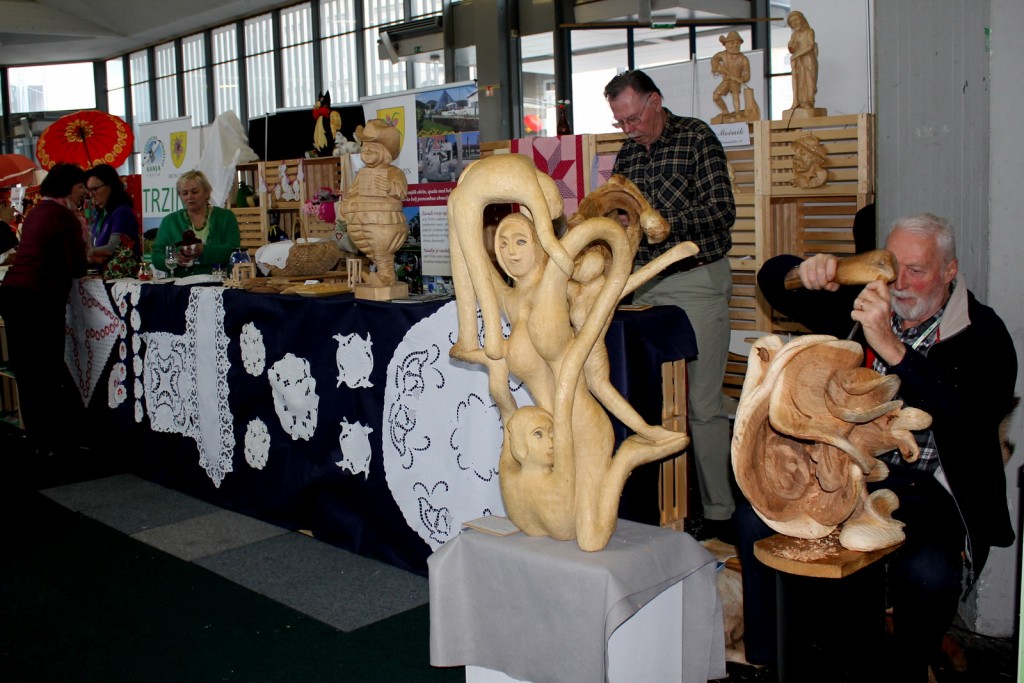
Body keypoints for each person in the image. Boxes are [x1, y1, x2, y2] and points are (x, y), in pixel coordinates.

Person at [742, 213, 1017, 680]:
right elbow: (771, 280)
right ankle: (777, 659)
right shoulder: (866, 301)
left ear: (949, 271)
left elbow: (967, 416)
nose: (900, 284)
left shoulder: (984, 334)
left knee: (928, 571)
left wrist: (893, 350)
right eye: (892, 267)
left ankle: (907, 667)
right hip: (849, 473)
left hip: (932, 488)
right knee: (754, 519)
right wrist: (810, 270)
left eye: (917, 270)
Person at [603, 69, 738, 540]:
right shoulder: (627, 154)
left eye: (634, 118)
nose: (629, 129)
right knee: (648, 399)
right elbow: (618, 215)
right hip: (643, 286)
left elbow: (722, 212)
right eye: (620, 122)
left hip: (696, 280)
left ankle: (720, 511)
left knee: (702, 404)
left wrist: (661, 221)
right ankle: (661, 506)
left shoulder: (697, 137)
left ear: (656, 101)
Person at [0, 163, 89, 457]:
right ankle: (59, 440)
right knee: (48, 369)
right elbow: (76, 266)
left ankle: (39, 439)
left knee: (27, 371)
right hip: (39, 298)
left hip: (14, 294)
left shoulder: (38, 211)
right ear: (68, 186)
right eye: (80, 186)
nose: (84, 192)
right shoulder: (63, 216)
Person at [152, 170, 240, 276]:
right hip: (180, 283)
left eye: (194, 192)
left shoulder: (226, 217)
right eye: (184, 193)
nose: (189, 197)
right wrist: (174, 259)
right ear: (180, 196)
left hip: (220, 281)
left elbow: (234, 251)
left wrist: (204, 251)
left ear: (207, 193)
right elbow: (156, 256)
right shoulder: (169, 221)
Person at [84, 164, 140, 266]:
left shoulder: (122, 212)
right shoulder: (103, 214)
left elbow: (112, 248)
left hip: (119, 273)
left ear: (110, 186)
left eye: (95, 189)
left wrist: (87, 252)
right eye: (89, 191)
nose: (91, 194)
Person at [710, 31, 751, 122]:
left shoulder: (744, 59)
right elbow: (714, 59)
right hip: (726, 80)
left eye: (737, 43)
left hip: (736, 81)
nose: (735, 46)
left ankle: (738, 114)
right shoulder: (723, 55)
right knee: (716, 96)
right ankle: (725, 111)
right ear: (726, 45)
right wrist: (715, 67)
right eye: (732, 43)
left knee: (735, 95)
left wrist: (739, 79)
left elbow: (747, 76)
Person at [787, 10, 819, 110]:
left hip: (808, 59)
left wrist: (797, 54)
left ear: (802, 19)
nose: (794, 23)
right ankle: (798, 102)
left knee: (809, 81)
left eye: (796, 20)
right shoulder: (794, 35)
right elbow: (792, 49)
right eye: (792, 22)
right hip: (798, 61)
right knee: (800, 82)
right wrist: (790, 46)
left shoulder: (809, 31)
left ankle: (809, 102)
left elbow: (811, 46)